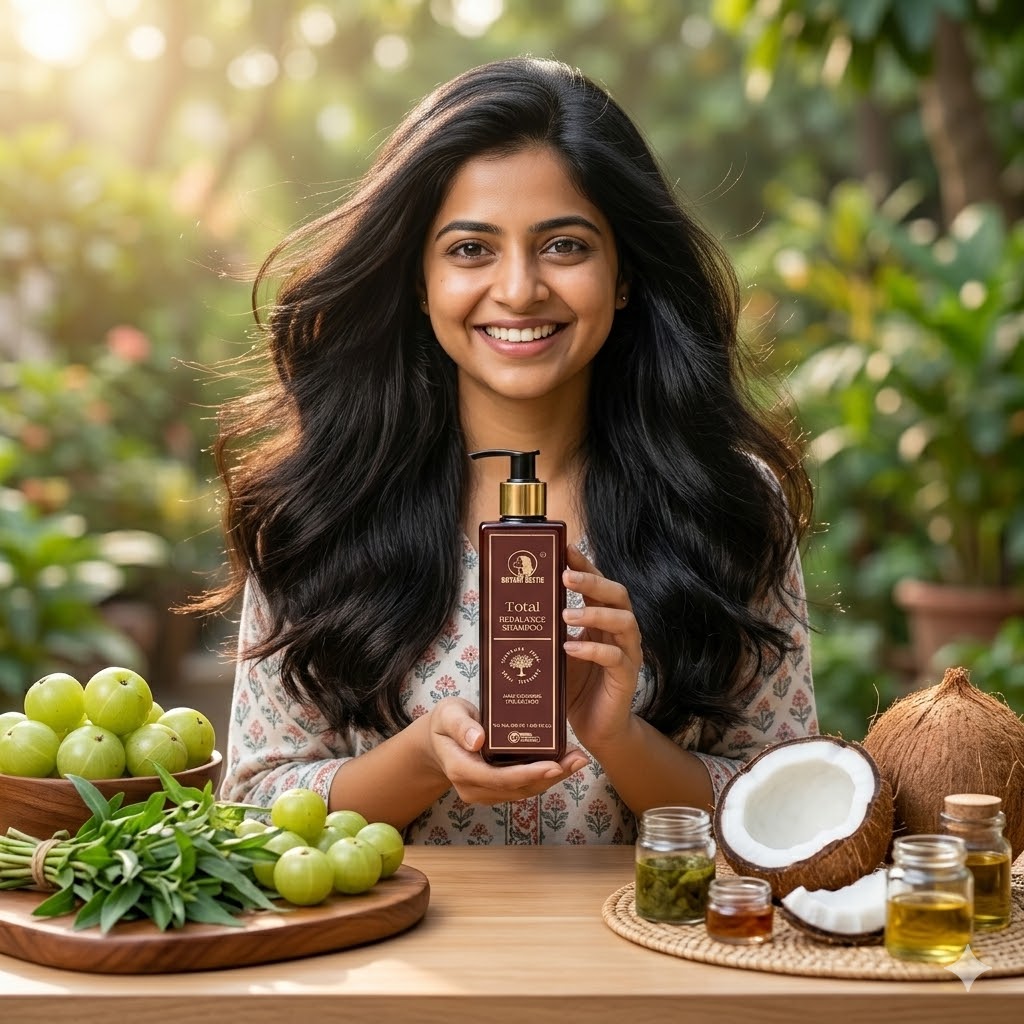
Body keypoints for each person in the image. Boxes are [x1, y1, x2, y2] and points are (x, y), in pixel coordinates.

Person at [204, 57, 817, 845]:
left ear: (624, 274)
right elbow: (253, 809)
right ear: (418, 279)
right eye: (470, 250)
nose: (520, 288)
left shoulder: (729, 503)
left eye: (564, 245)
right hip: (396, 963)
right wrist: (423, 757)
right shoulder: (322, 504)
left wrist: (622, 738)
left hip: (652, 961)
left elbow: (798, 811)